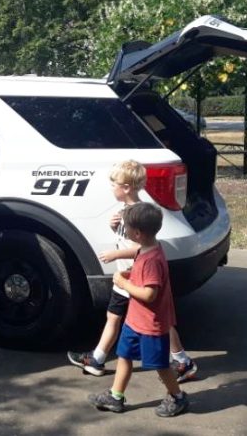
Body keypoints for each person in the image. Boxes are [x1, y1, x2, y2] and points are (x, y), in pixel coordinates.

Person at [67, 160, 196, 382]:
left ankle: (182, 361)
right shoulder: (128, 211)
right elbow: (126, 239)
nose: (111, 187)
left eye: (113, 183)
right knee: (114, 316)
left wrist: (115, 254)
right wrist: (113, 225)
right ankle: (97, 358)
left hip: (137, 280)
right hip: (126, 280)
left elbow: (143, 248)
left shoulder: (139, 216)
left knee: (159, 322)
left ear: (126, 187)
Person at [88, 202, 191, 417]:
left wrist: (125, 284)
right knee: (124, 355)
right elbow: (142, 278)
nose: (124, 230)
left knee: (160, 365)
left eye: (126, 228)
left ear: (137, 233)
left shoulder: (152, 260)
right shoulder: (147, 248)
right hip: (134, 321)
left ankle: (178, 397)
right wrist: (130, 276)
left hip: (151, 325)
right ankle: (116, 396)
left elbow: (149, 294)